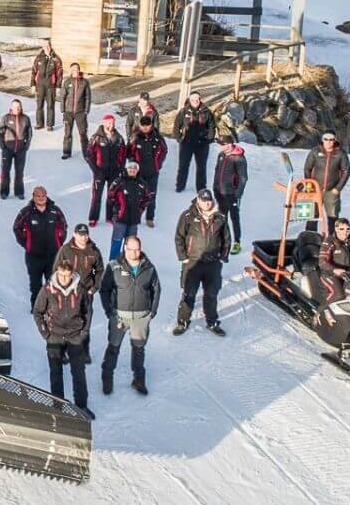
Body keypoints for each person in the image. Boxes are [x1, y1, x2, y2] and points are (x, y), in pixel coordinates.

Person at [99, 235, 160, 395]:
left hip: (140, 316)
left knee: (138, 349)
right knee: (113, 347)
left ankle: (139, 380)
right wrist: (109, 311)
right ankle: (107, 379)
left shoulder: (149, 267)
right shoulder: (114, 266)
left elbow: (156, 289)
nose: (134, 253)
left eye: (137, 249)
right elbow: (104, 289)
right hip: (119, 316)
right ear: (125, 248)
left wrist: (151, 312)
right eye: (131, 249)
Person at [33, 261, 91, 412]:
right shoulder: (48, 289)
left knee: (78, 371)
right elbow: (37, 312)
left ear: (72, 274)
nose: (64, 279)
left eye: (67, 276)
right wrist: (45, 333)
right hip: (55, 336)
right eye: (61, 275)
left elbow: (87, 311)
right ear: (57, 273)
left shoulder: (79, 289)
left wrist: (83, 332)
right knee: (56, 372)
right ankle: (58, 407)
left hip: (74, 335)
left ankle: (82, 406)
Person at [174, 190, 231, 336]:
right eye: (204, 200)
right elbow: (179, 237)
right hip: (193, 263)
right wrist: (184, 258)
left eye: (209, 200)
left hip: (212, 264)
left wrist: (222, 256)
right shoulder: (187, 216)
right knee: (189, 294)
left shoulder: (220, 217)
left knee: (211, 294)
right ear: (198, 200)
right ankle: (182, 322)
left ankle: (212, 322)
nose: (207, 203)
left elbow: (227, 239)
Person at [13, 186, 66, 301]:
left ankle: (51, 309)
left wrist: (59, 242)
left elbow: (63, 226)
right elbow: (16, 227)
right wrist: (26, 243)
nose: (41, 198)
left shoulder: (55, 210)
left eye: (43, 196)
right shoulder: (26, 212)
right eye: (38, 196)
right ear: (33, 197)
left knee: (53, 284)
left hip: (52, 254)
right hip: (34, 256)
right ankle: (36, 308)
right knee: (35, 285)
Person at [303, 131, 350, 231]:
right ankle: (310, 241)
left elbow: (346, 171)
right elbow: (307, 168)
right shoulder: (315, 151)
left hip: (332, 190)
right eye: (326, 139)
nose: (328, 142)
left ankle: (332, 242)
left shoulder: (340, 153)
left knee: (333, 217)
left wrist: (338, 188)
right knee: (312, 216)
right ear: (322, 140)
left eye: (331, 139)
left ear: (335, 140)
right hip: (316, 190)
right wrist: (309, 184)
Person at [126, 116, 169, 226]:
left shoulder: (157, 137)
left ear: (151, 125)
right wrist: (133, 163)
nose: (145, 128)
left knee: (151, 196)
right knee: (135, 195)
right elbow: (128, 151)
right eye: (143, 125)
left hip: (152, 172)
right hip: (138, 173)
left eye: (147, 125)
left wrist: (158, 164)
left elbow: (164, 150)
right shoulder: (134, 136)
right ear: (140, 125)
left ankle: (150, 218)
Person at [56, 223, 106, 316]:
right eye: (81, 235)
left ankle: (85, 331)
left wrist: (94, 287)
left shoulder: (94, 251)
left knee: (86, 315)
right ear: (74, 234)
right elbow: (57, 269)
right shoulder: (65, 250)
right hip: (68, 290)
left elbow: (100, 270)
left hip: (86, 290)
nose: (83, 237)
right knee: (69, 317)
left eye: (86, 234)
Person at [84, 114, 125, 226]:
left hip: (113, 172)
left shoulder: (119, 138)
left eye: (112, 123)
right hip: (100, 171)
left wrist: (120, 169)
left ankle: (110, 217)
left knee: (112, 196)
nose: (110, 125)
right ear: (103, 122)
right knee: (96, 196)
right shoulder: (96, 137)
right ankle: (93, 218)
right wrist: (95, 170)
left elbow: (123, 155)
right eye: (108, 123)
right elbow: (88, 155)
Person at [317, 218, 350, 306]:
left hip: (349, 275)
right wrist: (335, 270)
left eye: (348, 229)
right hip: (330, 275)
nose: (345, 232)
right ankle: (320, 314)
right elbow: (322, 261)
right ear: (336, 229)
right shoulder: (329, 242)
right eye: (342, 229)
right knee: (338, 295)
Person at [106, 161, 152, 259]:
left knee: (130, 245)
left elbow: (148, 198)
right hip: (120, 218)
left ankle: (127, 263)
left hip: (134, 220)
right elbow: (110, 196)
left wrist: (140, 210)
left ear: (137, 170)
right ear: (126, 169)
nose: (132, 170)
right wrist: (115, 210)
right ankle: (113, 264)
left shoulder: (142, 184)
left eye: (134, 169)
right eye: (130, 168)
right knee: (116, 242)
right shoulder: (118, 181)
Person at [173, 92, 215, 193]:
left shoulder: (206, 112)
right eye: (193, 100)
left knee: (201, 167)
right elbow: (176, 127)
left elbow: (212, 126)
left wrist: (209, 139)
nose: (195, 102)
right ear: (190, 100)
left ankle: (201, 188)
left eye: (197, 99)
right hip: (186, 143)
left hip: (202, 144)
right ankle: (180, 186)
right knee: (183, 166)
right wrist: (179, 139)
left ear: (200, 99)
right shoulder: (183, 112)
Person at [213, 138, 249, 248]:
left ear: (228, 145)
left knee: (234, 218)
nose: (220, 146)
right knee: (222, 217)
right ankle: (223, 240)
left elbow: (243, 178)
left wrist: (237, 195)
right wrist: (215, 187)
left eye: (222, 144)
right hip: (220, 192)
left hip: (231, 194)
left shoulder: (239, 158)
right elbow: (217, 171)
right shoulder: (221, 155)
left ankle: (237, 242)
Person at [0, 100, 32, 198]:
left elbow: (29, 134)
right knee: (5, 170)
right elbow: (0, 132)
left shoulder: (25, 118)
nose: (17, 109)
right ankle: (4, 192)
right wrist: (2, 146)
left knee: (19, 171)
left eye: (19, 107)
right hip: (7, 149)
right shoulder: (6, 118)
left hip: (21, 149)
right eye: (15, 107)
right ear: (11, 107)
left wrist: (26, 146)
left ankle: (19, 192)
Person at [60, 63, 92, 159]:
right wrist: (63, 110)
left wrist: (86, 110)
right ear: (71, 70)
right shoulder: (67, 82)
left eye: (77, 69)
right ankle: (66, 152)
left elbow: (88, 97)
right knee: (67, 133)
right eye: (73, 69)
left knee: (83, 133)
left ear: (79, 70)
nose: (75, 71)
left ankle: (86, 154)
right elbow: (62, 97)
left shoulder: (85, 82)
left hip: (80, 112)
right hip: (68, 112)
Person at [30, 42, 62, 129]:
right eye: (45, 46)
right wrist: (32, 84)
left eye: (48, 46)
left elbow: (59, 74)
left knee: (50, 105)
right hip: (39, 85)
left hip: (50, 86)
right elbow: (33, 71)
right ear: (43, 47)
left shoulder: (56, 58)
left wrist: (58, 87)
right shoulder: (38, 58)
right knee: (39, 105)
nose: (47, 48)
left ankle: (49, 125)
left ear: (51, 46)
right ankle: (39, 124)